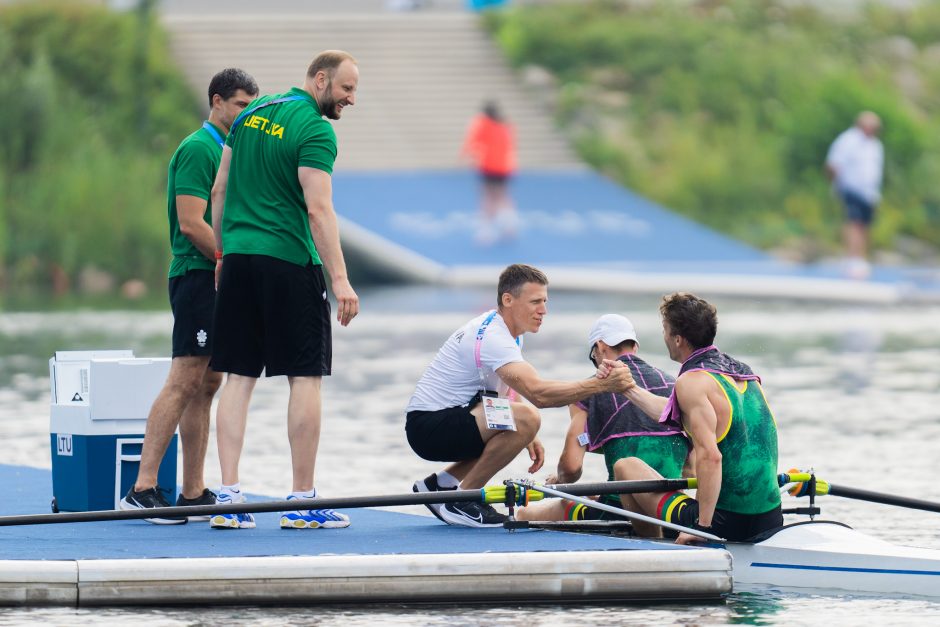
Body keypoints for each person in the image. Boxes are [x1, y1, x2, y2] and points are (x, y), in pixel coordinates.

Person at [208, 50, 360, 530]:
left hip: (238, 261)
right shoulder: (315, 129)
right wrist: (340, 281)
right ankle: (301, 501)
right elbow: (318, 210)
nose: (351, 99)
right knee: (305, 378)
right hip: (289, 262)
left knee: (238, 377)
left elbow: (220, 189)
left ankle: (229, 499)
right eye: (346, 89)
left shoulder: (250, 113)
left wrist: (221, 254)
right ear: (320, 80)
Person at [120, 68, 258, 524]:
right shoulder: (199, 148)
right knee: (183, 381)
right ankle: (142, 489)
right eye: (240, 105)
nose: (244, 114)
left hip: (218, 277)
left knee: (208, 386)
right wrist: (226, 260)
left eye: (250, 107)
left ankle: (193, 491)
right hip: (197, 275)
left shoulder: (226, 148)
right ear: (217, 101)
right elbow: (190, 221)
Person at [405, 264, 637, 528]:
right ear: (508, 300)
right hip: (428, 426)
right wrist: (600, 385)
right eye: (535, 302)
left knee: (524, 421)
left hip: (444, 418)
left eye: (545, 302)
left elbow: (509, 386)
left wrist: (527, 434)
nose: (544, 310)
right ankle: (462, 499)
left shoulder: (508, 332)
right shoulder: (494, 335)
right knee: (527, 417)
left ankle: (440, 485)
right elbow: (538, 394)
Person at [601, 293, 782, 543]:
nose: (663, 336)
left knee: (625, 467)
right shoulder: (744, 375)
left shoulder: (691, 382)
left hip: (725, 523)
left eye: (665, 330)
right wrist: (628, 389)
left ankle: (652, 549)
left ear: (677, 339)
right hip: (770, 518)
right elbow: (670, 412)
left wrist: (702, 529)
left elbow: (711, 456)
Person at [515, 314, 688, 524]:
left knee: (526, 514)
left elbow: (571, 467)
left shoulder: (587, 393)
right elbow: (692, 467)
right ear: (634, 346)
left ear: (600, 347)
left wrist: (557, 481)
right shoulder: (675, 386)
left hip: (619, 511)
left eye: (593, 355)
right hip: (670, 511)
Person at [825, 111, 884, 279]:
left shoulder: (875, 144)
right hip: (851, 188)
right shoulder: (848, 140)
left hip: (869, 192)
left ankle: (860, 259)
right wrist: (836, 184)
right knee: (854, 223)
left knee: (865, 225)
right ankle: (851, 259)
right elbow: (833, 164)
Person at [461, 101, 517, 245]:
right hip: (504, 166)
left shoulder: (484, 124)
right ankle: (509, 225)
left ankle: (486, 231)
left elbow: (472, 142)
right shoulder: (505, 125)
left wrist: (465, 156)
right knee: (503, 195)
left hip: (489, 166)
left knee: (488, 197)